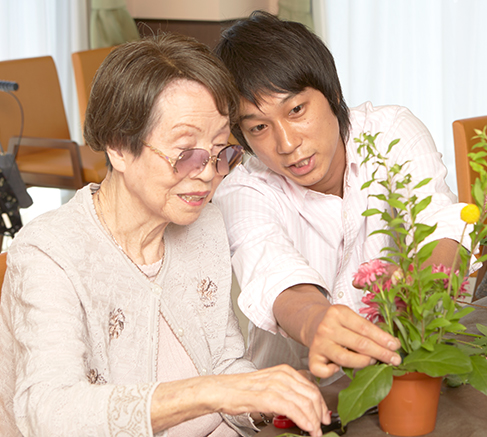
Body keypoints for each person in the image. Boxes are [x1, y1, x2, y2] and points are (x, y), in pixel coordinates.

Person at [0, 34, 329, 437]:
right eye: (186, 152)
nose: (208, 173)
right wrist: (214, 392)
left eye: (222, 151)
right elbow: (49, 411)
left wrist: (268, 405)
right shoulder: (49, 253)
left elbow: (225, 363)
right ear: (119, 147)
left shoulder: (205, 225)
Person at [213, 11, 471, 381]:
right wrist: (318, 320)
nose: (287, 144)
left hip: (410, 373)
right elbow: (276, 276)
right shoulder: (243, 190)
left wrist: (426, 284)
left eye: (297, 110)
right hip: (298, 396)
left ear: (333, 93)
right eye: (259, 127)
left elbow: (441, 226)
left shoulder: (391, 134)